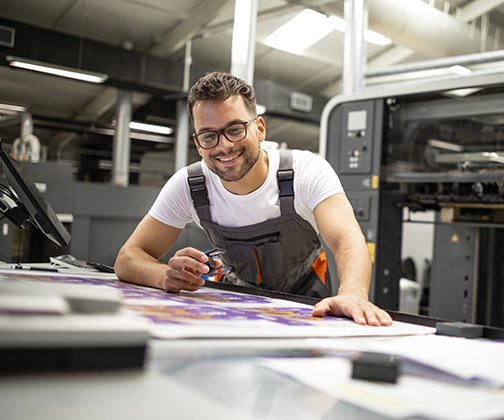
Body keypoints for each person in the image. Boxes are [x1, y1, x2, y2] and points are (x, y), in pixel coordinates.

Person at [114, 71, 392, 326]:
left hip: (307, 310)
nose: (224, 145)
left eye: (235, 129)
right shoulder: (190, 186)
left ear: (259, 128)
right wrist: (164, 276)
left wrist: (353, 294)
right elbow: (127, 258)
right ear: (198, 144)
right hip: (232, 310)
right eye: (209, 136)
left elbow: (348, 240)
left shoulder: (305, 172)